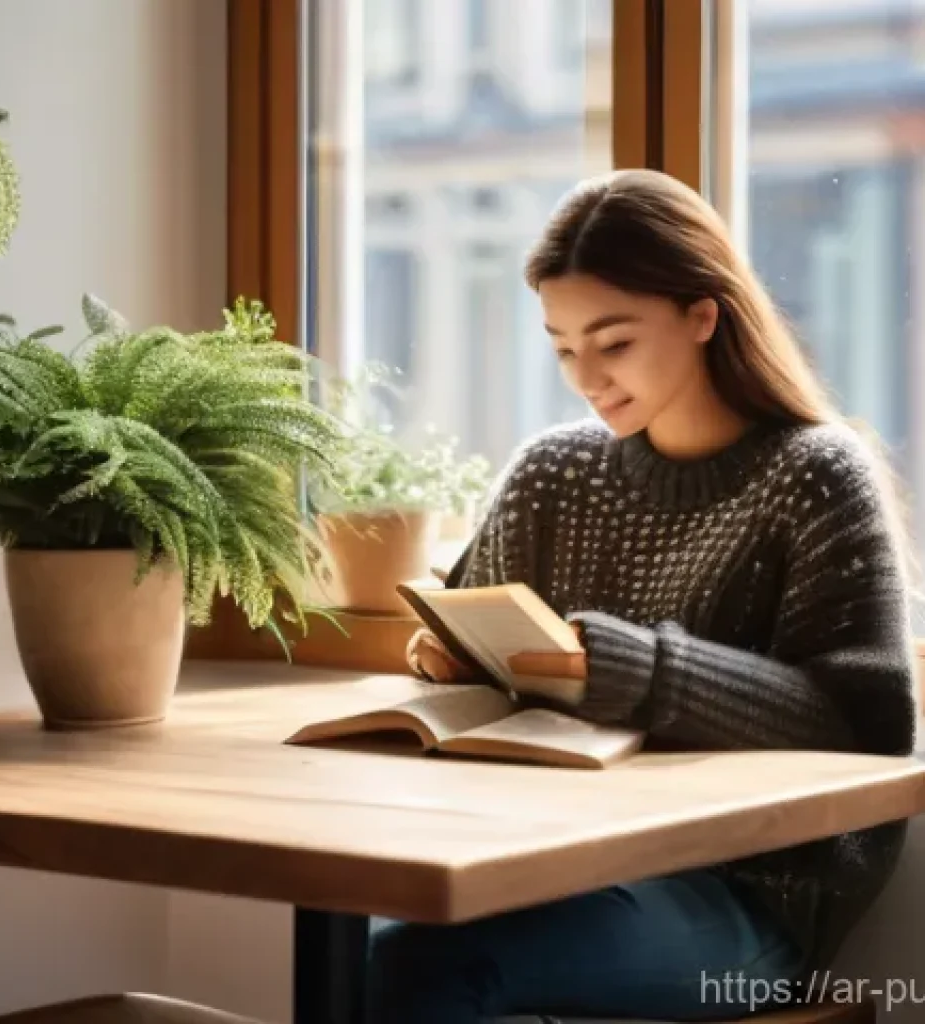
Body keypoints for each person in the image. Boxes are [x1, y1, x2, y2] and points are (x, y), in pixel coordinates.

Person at [367, 168, 919, 1024]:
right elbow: (481, 641)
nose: (585, 375)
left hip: (747, 893)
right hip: (540, 853)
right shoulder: (551, 473)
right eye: (561, 346)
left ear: (704, 314)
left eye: (614, 342)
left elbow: (867, 722)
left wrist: (639, 668)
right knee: (359, 953)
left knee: (415, 967)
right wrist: (447, 662)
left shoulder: (815, 476)